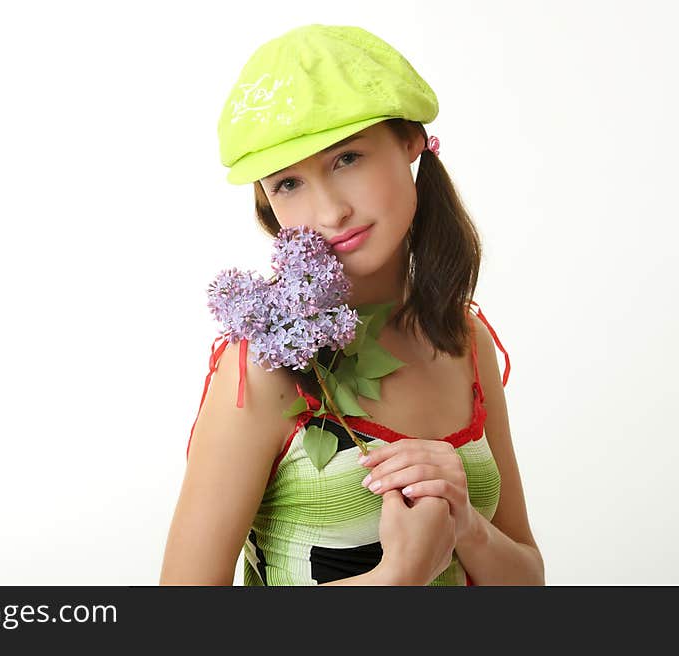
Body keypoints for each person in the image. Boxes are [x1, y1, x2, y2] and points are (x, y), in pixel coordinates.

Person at [160, 24, 545, 586]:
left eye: (348, 159)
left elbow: (529, 582)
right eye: (289, 183)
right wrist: (397, 576)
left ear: (410, 139)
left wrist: (469, 527)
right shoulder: (265, 369)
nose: (330, 211)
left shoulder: (464, 339)